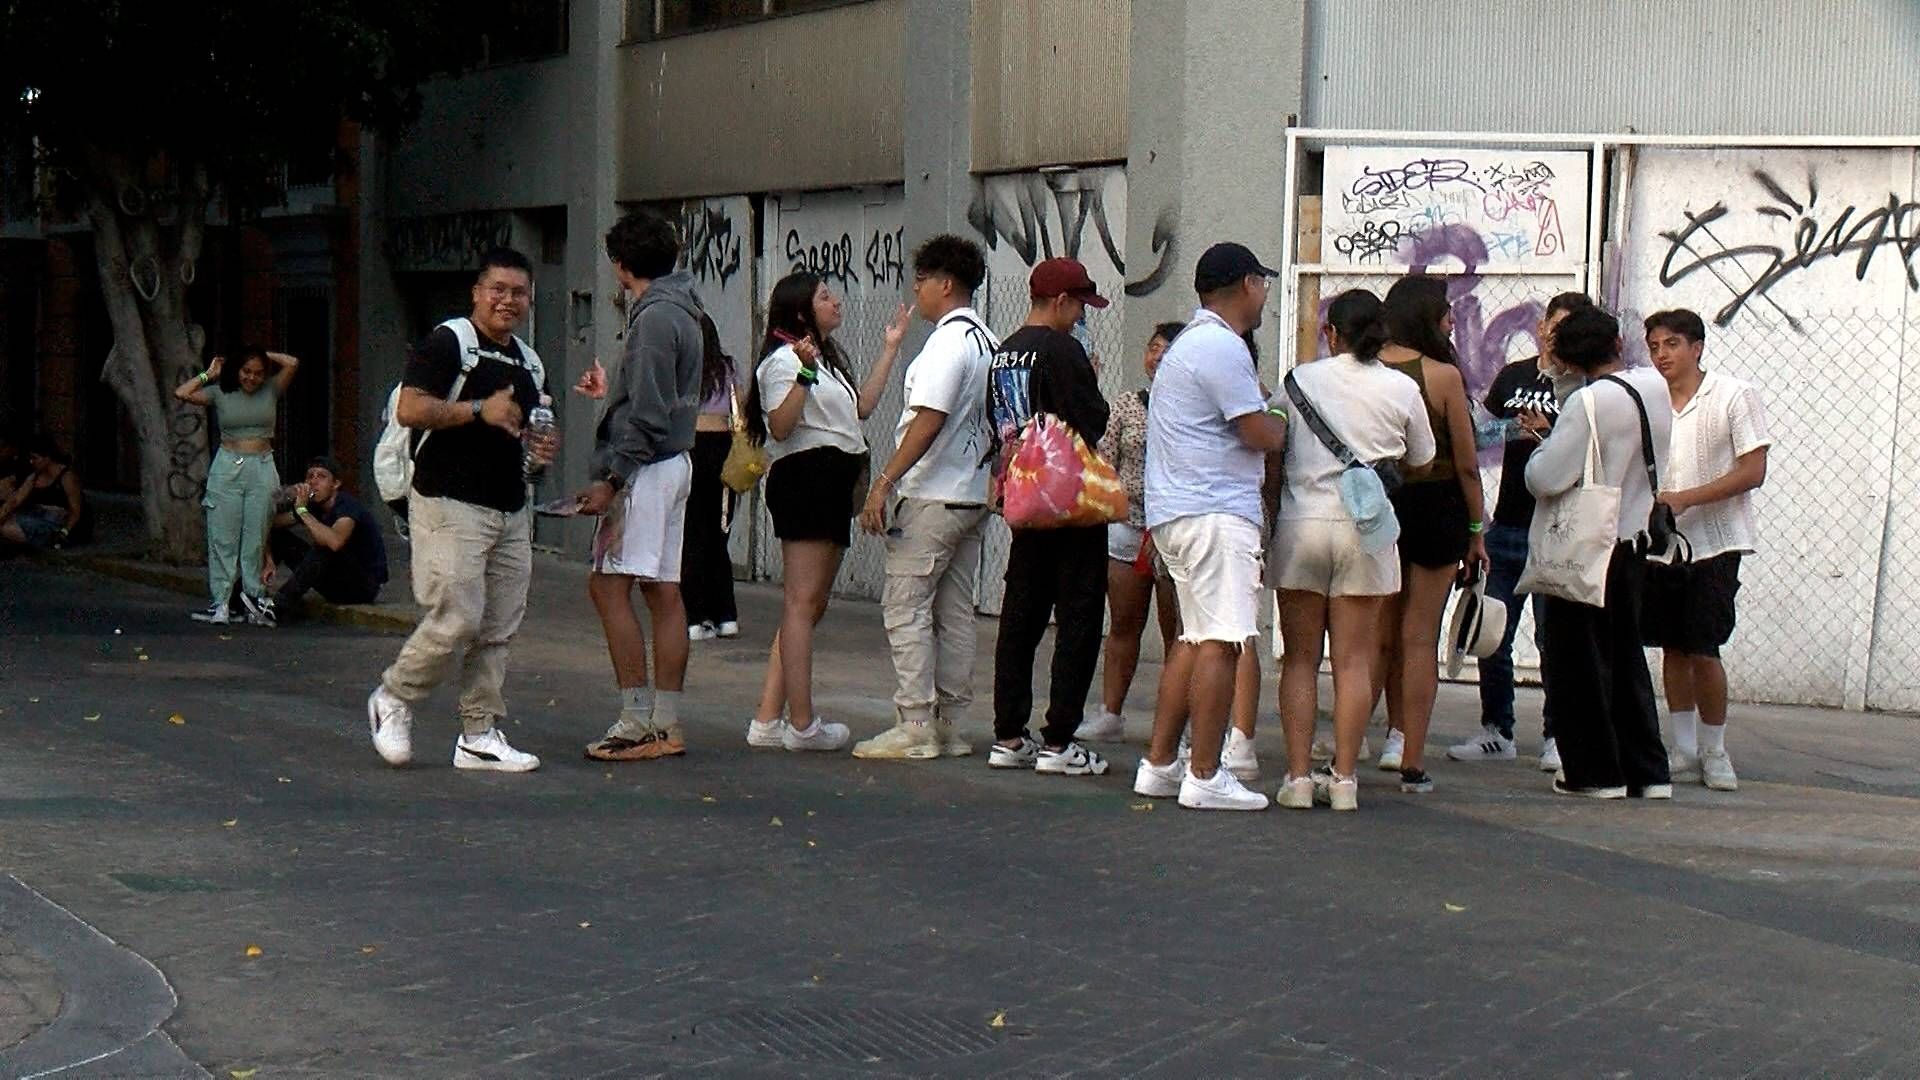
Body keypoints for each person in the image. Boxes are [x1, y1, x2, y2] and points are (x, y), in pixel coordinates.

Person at [366, 247, 555, 773]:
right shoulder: (449, 342)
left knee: (498, 627)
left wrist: (540, 447)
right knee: (456, 618)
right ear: (476, 292)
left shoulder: (528, 361)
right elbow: (410, 407)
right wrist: (478, 409)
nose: (507, 300)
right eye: (497, 289)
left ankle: (479, 734)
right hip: (448, 501)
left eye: (518, 292)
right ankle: (394, 698)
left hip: (511, 509)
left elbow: (532, 425)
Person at [1130, 242, 1287, 812]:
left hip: (1177, 511)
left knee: (1192, 641)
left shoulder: (1188, 346)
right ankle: (1205, 772)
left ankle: (1160, 763)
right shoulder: (1222, 347)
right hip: (1217, 512)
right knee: (1224, 642)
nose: (1266, 293)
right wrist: (1280, 420)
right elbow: (1256, 432)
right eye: (1263, 283)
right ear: (1246, 284)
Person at [1269, 290, 1436, 811]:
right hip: (1366, 531)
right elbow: (1423, 459)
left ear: (1331, 334)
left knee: (1299, 659)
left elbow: (1274, 448)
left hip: (1302, 525)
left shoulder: (1298, 381)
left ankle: (1297, 778)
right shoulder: (1402, 388)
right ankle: (1344, 779)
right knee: (1355, 661)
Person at [742, 272, 910, 752]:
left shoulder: (826, 360)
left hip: (835, 475)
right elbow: (780, 424)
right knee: (801, 602)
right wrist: (804, 372)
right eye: (824, 296)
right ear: (800, 311)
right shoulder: (784, 361)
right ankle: (802, 724)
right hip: (808, 476)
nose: (836, 302)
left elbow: (860, 408)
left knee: (810, 604)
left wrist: (890, 348)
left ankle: (768, 718)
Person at [852, 235, 998, 761]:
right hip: (972, 494)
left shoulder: (946, 343)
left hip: (933, 494)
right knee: (955, 611)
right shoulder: (988, 341)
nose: (916, 289)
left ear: (946, 283)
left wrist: (885, 480)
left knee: (907, 605)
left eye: (922, 280)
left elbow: (929, 417)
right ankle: (951, 723)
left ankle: (915, 721)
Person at [1524, 305, 1674, 799]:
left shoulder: (1587, 404)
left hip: (1589, 547)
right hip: (1633, 539)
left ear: (1569, 358)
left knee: (1577, 663)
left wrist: (1542, 442)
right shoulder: (1652, 387)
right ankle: (1647, 770)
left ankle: (1594, 771)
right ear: (1615, 343)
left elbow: (1547, 477)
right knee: (1626, 657)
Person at [577, 211, 705, 763]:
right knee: (663, 592)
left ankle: (637, 722)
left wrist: (612, 480)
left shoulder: (653, 317)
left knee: (609, 587)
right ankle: (665, 722)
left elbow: (648, 413)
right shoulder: (684, 310)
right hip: (673, 463)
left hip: (647, 469)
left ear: (622, 265)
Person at [1448, 291, 1591, 772]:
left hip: (1560, 527)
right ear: (1542, 327)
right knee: (1493, 629)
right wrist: (1516, 430)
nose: (1556, 334)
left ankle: (1558, 733)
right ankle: (1497, 730)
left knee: (1556, 639)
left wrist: (1551, 432)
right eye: (1554, 324)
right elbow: (1481, 435)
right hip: (1510, 523)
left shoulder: (1588, 387)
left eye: (1569, 327)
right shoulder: (1514, 376)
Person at [986, 258, 1114, 776]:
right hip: (1071, 500)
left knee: (1021, 614)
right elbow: (1093, 420)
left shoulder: (1005, 351)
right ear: (1060, 301)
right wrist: (1092, 380)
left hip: (1023, 495)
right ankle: (1060, 740)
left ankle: (1008, 733)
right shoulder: (1065, 351)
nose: (1083, 314)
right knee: (1078, 618)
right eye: (1081, 304)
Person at [1643, 308, 1772, 792]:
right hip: (1661, 545)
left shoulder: (1734, 395)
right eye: (1655, 346)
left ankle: (1715, 750)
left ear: (1696, 347)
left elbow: (1752, 471)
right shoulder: (1649, 400)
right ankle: (1683, 748)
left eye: (1672, 344)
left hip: (1716, 541)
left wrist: (1686, 499)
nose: (1662, 355)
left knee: (1703, 646)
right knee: (1670, 646)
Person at [1370, 274, 1487, 793]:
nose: (1451, 319)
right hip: (1437, 504)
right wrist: (1476, 529)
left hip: (1379, 503)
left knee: (1374, 637)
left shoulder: (1365, 368)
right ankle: (1412, 758)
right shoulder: (1442, 376)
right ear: (1427, 315)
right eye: (1445, 311)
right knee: (1420, 637)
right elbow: (1466, 464)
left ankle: (1356, 750)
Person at [1084, 322, 1185, 743]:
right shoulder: (1127, 404)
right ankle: (1111, 713)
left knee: (1177, 632)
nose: (1158, 357)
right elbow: (1103, 459)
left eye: (1168, 350)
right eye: (1153, 347)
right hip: (1127, 527)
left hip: (1174, 528)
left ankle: (1177, 724)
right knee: (1124, 623)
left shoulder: (1190, 406)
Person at [173, 345, 299, 627]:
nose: (252, 378)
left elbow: (292, 362)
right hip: (228, 464)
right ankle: (221, 602)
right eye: (246, 371)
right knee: (223, 536)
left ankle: (252, 598)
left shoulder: (271, 389)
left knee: (256, 532)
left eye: (257, 373)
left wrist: (264, 355)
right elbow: (182, 393)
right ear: (236, 370)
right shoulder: (221, 392)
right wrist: (210, 373)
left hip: (262, 465)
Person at [683, 315, 743, 642]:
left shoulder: (681, 366)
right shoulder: (727, 367)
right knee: (719, 534)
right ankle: (726, 615)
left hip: (689, 447)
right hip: (725, 451)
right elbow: (741, 410)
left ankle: (694, 617)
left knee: (690, 534)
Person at [266, 456, 389, 612]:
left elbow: (335, 542)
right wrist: (284, 497)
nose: (314, 482)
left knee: (324, 547)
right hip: (334, 582)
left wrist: (302, 511)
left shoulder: (347, 506)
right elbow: (272, 524)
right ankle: (243, 596)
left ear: (335, 484)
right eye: (310, 477)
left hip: (361, 586)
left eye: (321, 477)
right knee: (280, 537)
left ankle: (279, 605)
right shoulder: (314, 506)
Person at [0, 434, 86, 550]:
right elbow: (16, 500)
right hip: (38, 516)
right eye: (30, 458)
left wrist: (64, 532)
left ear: (47, 458)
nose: (31, 462)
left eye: (35, 458)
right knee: (7, 518)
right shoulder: (35, 475)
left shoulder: (67, 477)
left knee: (7, 527)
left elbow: (75, 512)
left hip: (59, 523)